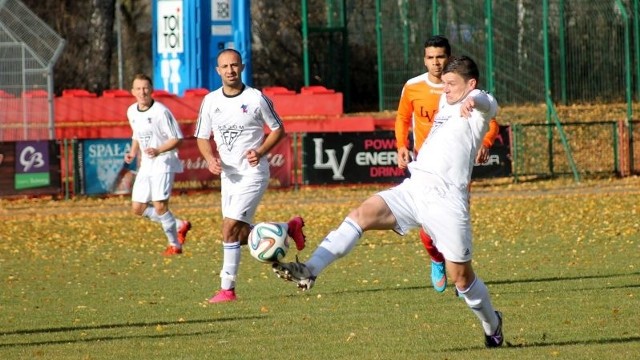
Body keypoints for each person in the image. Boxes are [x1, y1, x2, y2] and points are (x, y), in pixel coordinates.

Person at [274, 56, 504, 348]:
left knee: (461, 279)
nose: (445, 89)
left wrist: (474, 100)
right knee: (362, 214)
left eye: (451, 84)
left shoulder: (477, 107)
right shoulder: (446, 100)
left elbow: (488, 103)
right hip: (415, 187)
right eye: (444, 83)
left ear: (470, 84)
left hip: (447, 203)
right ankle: (311, 269)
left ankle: (492, 324)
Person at [195, 49, 306, 303]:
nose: (230, 70)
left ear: (242, 67)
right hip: (229, 177)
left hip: (253, 173)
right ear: (217, 70)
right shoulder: (210, 101)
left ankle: (227, 290)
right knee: (238, 235)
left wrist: (261, 150)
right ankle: (288, 228)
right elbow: (201, 137)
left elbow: (279, 129)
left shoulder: (256, 98)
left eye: (234, 65)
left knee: (228, 228)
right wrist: (210, 158)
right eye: (225, 66)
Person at [395, 35, 500, 293]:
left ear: (449, 58)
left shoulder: (461, 88)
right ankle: (436, 259)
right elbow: (402, 117)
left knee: (455, 222)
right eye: (430, 57)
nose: (435, 62)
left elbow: (492, 120)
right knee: (426, 227)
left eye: (440, 57)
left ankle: (461, 274)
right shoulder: (413, 86)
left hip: (455, 170)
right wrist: (401, 145)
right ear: (424, 59)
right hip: (425, 167)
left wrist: (485, 143)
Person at [124, 73, 192, 256]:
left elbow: (177, 139)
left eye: (145, 88)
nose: (142, 92)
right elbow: (136, 134)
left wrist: (158, 150)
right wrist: (133, 152)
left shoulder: (161, 112)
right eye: (138, 88)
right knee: (137, 208)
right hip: (146, 164)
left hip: (164, 161)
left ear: (152, 90)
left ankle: (175, 245)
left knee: (159, 205)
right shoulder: (131, 111)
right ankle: (180, 225)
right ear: (132, 91)